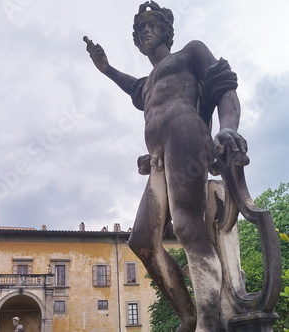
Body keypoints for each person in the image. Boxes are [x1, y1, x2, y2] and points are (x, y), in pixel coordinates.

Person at [85, 1, 247, 331]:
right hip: (158, 157)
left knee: (188, 227)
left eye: (152, 24)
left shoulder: (190, 53)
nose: (145, 30)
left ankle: (209, 321)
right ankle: (188, 316)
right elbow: (133, 87)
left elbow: (224, 87)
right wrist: (106, 69)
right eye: (140, 28)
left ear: (166, 30)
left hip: (185, 132)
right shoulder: (147, 84)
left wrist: (227, 127)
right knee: (142, 242)